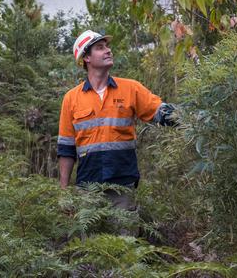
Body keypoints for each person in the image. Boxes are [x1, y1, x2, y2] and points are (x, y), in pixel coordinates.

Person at [57, 30, 175, 208]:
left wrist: (189, 118)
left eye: (107, 47)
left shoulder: (131, 89)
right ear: (86, 58)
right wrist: (64, 192)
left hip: (123, 188)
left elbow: (159, 112)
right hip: (87, 189)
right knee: (89, 237)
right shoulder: (71, 98)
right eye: (100, 47)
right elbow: (66, 148)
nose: (108, 51)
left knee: (124, 236)